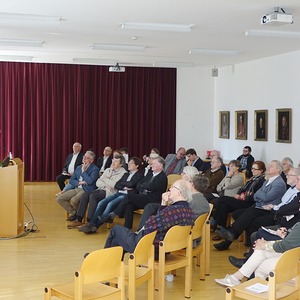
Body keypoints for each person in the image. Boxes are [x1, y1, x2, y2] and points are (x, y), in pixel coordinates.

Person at [103, 179, 195, 257]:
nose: (169, 189)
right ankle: (107, 263)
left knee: (116, 230)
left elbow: (149, 225)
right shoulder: (189, 211)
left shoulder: (172, 211)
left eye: (173, 187)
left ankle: (104, 264)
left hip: (149, 247)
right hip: (165, 249)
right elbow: (160, 221)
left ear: (178, 192)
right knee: (118, 240)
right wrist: (163, 203)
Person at [214, 160, 287, 250]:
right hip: (259, 206)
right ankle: (232, 238)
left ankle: (231, 235)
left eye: (271, 166)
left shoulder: (279, 183)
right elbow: (257, 194)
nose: (268, 167)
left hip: (268, 209)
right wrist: (259, 195)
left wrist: (259, 195)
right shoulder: (268, 181)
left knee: (250, 214)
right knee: (237, 214)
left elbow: (266, 197)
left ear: (278, 170)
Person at [215, 221, 300, 287]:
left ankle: (238, 280)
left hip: (294, 262)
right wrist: (266, 244)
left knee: (261, 266)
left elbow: (284, 245)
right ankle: (237, 278)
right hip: (294, 256)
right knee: (261, 252)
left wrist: (265, 244)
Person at [79, 157, 144, 233]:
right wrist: (124, 186)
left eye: (131, 163)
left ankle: (96, 226)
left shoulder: (139, 175)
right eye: (128, 163)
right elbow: (117, 184)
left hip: (127, 196)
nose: (129, 164)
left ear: (137, 166)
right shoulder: (126, 174)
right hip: (119, 192)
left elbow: (132, 184)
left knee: (110, 204)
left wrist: (123, 184)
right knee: (101, 203)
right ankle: (91, 224)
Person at [102, 156, 168, 229]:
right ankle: (127, 228)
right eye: (152, 163)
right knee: (129, 206)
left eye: (154, 163)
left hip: (153, 199)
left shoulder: (162, 177)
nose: (152, 165)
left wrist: (144, 186)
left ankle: (113, 214)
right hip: (143, 196)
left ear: (161, 166)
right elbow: (139, 184)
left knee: (129, 196)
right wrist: (144, 186)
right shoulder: (150, 174)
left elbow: (151, 187)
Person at [136, 166, 208, 231]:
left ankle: (141, 231)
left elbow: (173, 213)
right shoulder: (205, 202)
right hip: (190, 231)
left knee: (151, 208)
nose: (181, 174)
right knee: (151, 206)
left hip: (178, 232)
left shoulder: (189, 199)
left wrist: (165, 203)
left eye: (184, 173)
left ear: (192, 182)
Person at [67, 155, 127, 227]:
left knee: (93, 196)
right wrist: (105, 184)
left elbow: (114, 185)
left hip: (110, 192)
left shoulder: (123, 173)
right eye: (113, 161)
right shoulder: (108, 169)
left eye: (116, 161)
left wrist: (104, 179)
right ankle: (79, 219)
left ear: (121, 164)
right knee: (85, 195)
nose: (113, 163)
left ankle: (89, 221)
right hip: (101, 189)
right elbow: (98, 182)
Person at [210, 161, 266, 234]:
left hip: (248, 203)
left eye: (255, 169)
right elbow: (242, 189)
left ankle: (214, 219)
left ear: (261, 171)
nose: (252, 170)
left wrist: (244, 196)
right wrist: (240, 194)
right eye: (252, 168)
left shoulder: (261, 181)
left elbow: (256, 195)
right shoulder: (252, 179)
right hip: (240, 199)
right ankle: (222, 228)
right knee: (223, 205)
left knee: (221, 199)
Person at [56, 151, 99, 218]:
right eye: (84, 156)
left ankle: (79, 216)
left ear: (92, 160)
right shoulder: (79, 167)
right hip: (77, 187)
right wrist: (79, 182)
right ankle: (74, 213)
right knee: (59, 199)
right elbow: (71, 180)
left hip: (86, 189)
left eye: (87, 158)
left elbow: (90, 181)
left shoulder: (95, 169)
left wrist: (84, 171)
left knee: (74, 200)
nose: (84, 158)